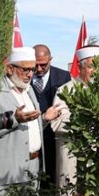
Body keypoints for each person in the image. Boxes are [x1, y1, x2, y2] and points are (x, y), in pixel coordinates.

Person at [45, 44, 99, 196]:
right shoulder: (66, 90)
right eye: (92, 66)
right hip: (71, 154)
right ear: (80, 67)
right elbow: (56, 123)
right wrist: (85, 123)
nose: (97, 71)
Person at [0, 47, 44, 196]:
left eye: (33, 69)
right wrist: (15, 119)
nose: (30, 74)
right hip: (5, 173)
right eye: (26, 69)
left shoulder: (28, 90)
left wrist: (46, 119)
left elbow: (29, 126)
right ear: (10, 68)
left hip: (32, 170)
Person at [30, 44, 72, 187]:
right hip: (31, 138)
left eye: (43, 65)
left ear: (51, 59)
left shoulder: (63, 77)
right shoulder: (25, 77)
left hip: (54, 138)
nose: (39, 69)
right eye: (36, 65)